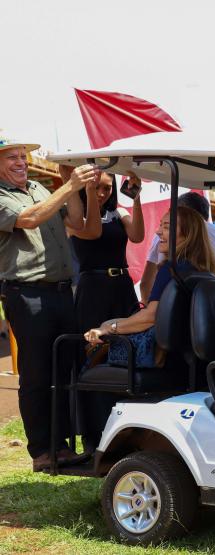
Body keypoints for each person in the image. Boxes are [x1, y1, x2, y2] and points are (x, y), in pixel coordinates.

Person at [83, 207, 215, 447]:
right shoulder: (205, 272)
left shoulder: (172, 270)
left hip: (164, 360)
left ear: (187, 234)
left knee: (88, 365)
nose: (158, 232)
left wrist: (108, 327)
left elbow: (150, 317)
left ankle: (97, 443)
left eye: (167, 227)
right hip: (190, 362)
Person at [0, 137, 96, 471]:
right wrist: (68, 185)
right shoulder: (2, 197)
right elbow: (28, 219)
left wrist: (75, 182)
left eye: (22, 156)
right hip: (27, 294)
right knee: (37, 374)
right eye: (11, 157)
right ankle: (42, 450)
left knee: (66, 368)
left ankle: (63, 445)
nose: (21, 161)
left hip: (60, 292)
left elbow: (77, 220)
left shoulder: (42, 189)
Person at [68, 172, 145, 332]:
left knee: (128, 340)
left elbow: (137, 236)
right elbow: (93, 231)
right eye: (96, 187)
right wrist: (89, 193)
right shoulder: (74, 217)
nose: (101, 193)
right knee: (93, 344)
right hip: (92, 288)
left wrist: (136, 197)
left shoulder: (118, 213)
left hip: (122, 286)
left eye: (107, 188)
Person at [139, 191, 215, 302]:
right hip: (206, 307)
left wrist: (146, 308)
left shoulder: (165, 243)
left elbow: (146, 283)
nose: (160, 231)